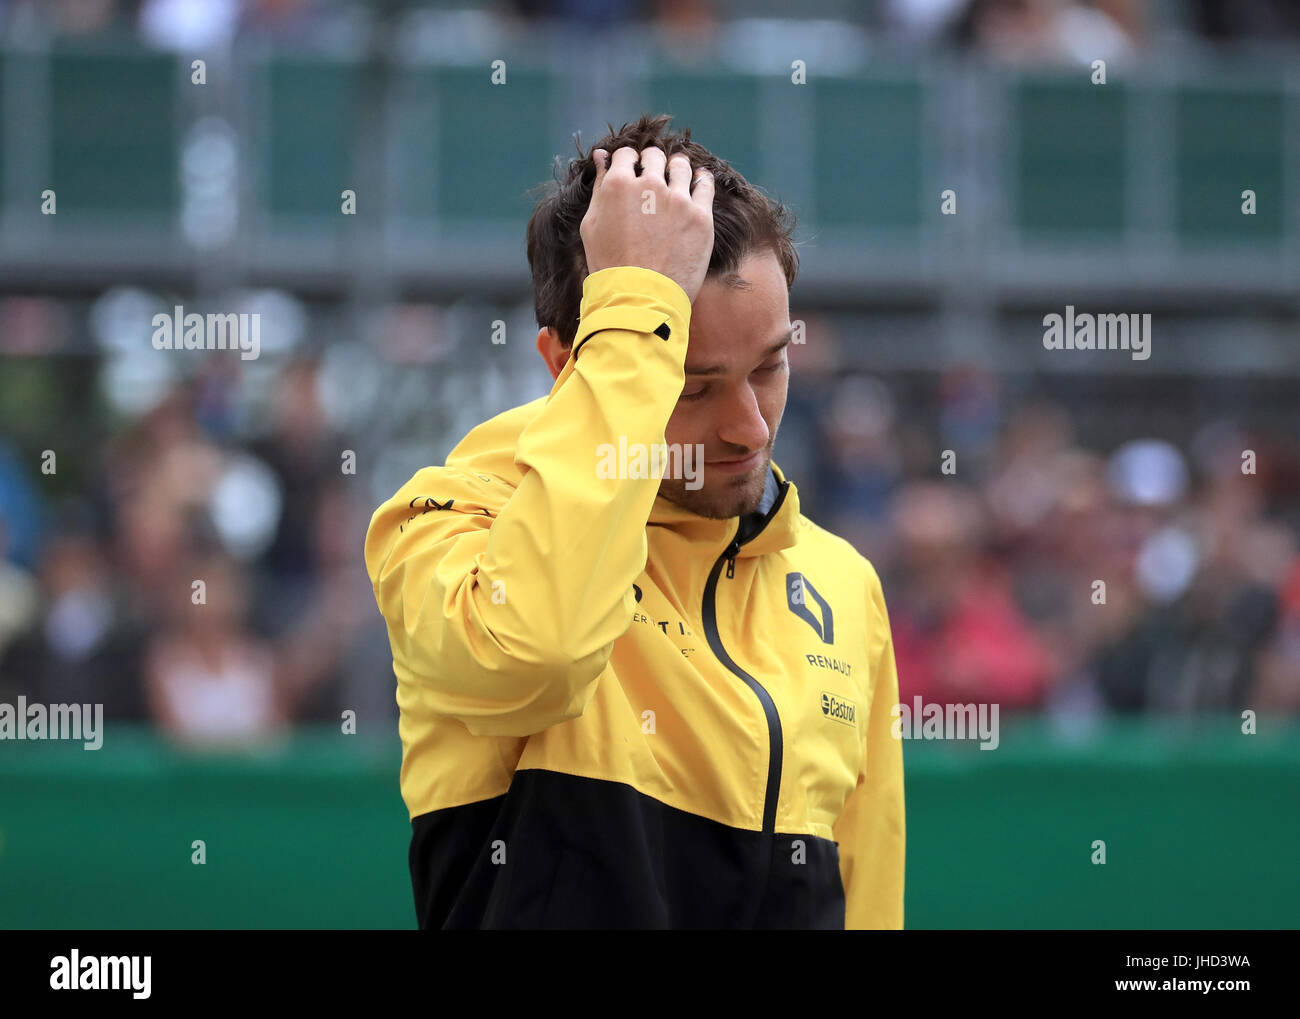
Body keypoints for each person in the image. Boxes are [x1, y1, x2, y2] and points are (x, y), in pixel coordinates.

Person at [365, 114, 904, 929]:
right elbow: (537, 653)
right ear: (565, 362)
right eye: (690, 386)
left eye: (771, 366)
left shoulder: (842, 583)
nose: (751, 428)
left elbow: (868, 900)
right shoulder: (445, 523)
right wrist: (635, 310)